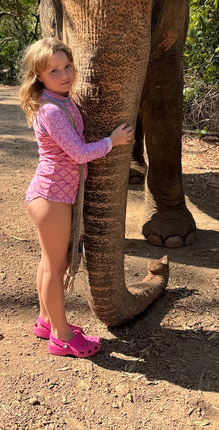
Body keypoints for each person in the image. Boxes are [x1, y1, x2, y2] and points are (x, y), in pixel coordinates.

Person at [18, 37, 133, 358]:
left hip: (52, 196)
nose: (65, 74)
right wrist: (113, 141)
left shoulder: (61, 100)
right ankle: (61, 335)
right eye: (54, 70)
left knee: (50, 263)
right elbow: (79, 153)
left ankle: (46, 321)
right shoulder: (52, 110)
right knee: (57, 268)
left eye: (68, 65)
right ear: (39, 76)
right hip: (51, 197)